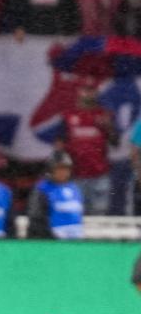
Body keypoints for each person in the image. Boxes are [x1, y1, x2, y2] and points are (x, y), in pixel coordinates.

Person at [55, 81, 116, 216]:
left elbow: (115, 142)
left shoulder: (104, 115)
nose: (88, 94)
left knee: (99, 215)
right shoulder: (68, 115)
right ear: (78, 92)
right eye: (85, 90)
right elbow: (59, 145)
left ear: (97, 93)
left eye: (92, 90)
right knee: (76, 213)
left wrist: (108, 127)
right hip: (76, 175)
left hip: (100, 174)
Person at [27, 150, 85, 240]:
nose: (63, 172)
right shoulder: (42, 189)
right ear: (51, 170)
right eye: (59, 168)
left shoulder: (74, 189)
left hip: (75, 241)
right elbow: (36, 219)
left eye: (66, 168)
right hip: (52, 241)